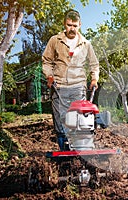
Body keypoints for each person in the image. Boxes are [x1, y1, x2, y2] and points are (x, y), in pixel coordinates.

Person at [42, 9, 100, 151]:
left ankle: (81, 150)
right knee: (60, 122)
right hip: (59, 86)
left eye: (75, 25)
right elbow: (46, 61)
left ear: (80, 25)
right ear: (64, 24)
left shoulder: (86, 44)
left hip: (78, 87)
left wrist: (94, 79)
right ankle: (64, 151)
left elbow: (94, 64)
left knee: (80, 120)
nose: (72, 28)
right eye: (69, 25)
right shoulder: (55, 41)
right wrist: (49, 76)